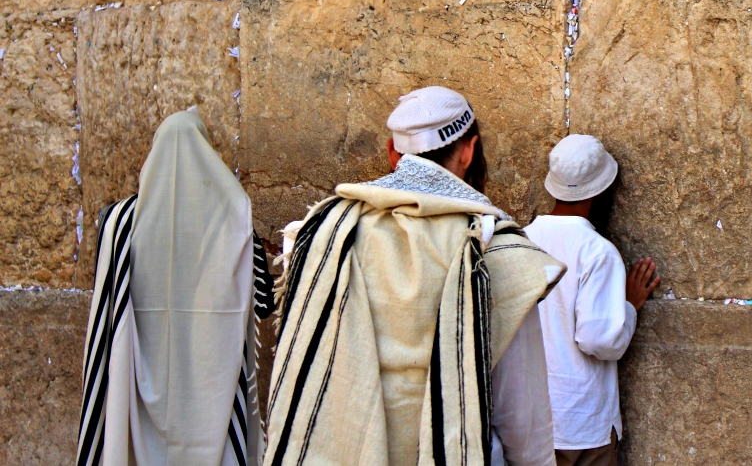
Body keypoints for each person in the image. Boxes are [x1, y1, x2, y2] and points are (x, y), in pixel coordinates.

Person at [266, 86, 565, 466]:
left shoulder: (326, 233)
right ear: (470, 151)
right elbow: (524, 418)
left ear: (394, 154)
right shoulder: (492, 248)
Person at [78, 109, 275, 466]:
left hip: (136, 388)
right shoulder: (236, 224)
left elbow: (106, 308)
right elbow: (265, 303)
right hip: (212, 391)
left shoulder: (118, 224)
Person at [524, 135, 661, 466]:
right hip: (581, 428)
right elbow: (598, 339)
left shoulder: (520, 239)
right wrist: (628, 307)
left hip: (528, 423)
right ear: (601, 191)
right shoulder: (597, 251)